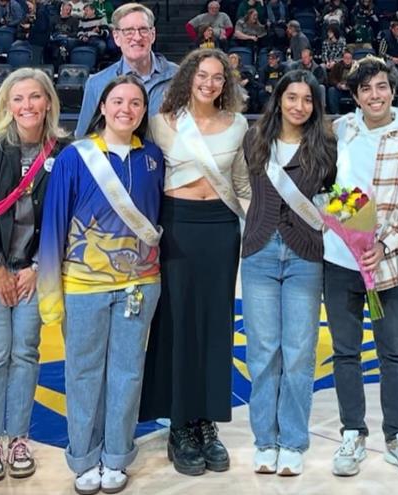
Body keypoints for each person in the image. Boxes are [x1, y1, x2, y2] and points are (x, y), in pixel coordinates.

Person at [37, 74, 164, 495]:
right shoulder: (75, 157)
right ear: (103, 107)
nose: (126, 109)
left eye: (135, 103)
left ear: (143, 111)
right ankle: (83, 457)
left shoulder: (154, 157)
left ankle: (117, 455)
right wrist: (50, 292)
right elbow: (54, 223)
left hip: (140, 284)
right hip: (83, 285)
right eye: (118, 101)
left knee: (127, 373)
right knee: (83, 373)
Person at [137, 48, 248, 477]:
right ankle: (180, 423)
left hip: (221, 229)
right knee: (178, 322)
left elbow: (241, 184)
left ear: (226, 83)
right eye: (203, 75)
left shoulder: (237, 125)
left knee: (215, 323)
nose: (210, 83)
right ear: (189, 76)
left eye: (218, 77)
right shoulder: (161, 122)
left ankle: (207, 420)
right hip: (177, 226)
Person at [324, 56, 398, 479]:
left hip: (388, 266)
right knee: (345, 352)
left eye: (382, 86)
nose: (375, 95)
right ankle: (352, 432)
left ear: (393, 90)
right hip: (340, 261)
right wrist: (347, 228)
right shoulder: (341, 132)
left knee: (394, 353)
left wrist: (384, 244)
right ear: (355, 96)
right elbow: (330, 189)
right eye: (366, 89)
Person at [0, 67, 68, 483]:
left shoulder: (63, 149)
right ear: (7, 105)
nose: (27, 105)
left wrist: (37, 267)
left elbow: (63, 217)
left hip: (34, 267)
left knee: (25, 350)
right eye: (18, 98)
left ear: (48, 102)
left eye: (35, 96)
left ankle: (19, 437)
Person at [239, 70, 336, 477]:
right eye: (292, 97)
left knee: (298, 353)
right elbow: (241, 186)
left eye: (307, 99)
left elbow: (339, 196)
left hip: (305, 256)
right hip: (259, 253)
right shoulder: (254, 139)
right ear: (279, 99)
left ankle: (293, 442)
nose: (299, 106)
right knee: (263, 353)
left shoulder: (326, 145)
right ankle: (265, 441)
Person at [75, 3, 178, 137]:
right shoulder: (96, 84)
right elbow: (84, 140)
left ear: (153, 35)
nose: (137, 37)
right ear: (116, 37)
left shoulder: (179, 77)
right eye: (129, 31)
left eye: (143, 30)